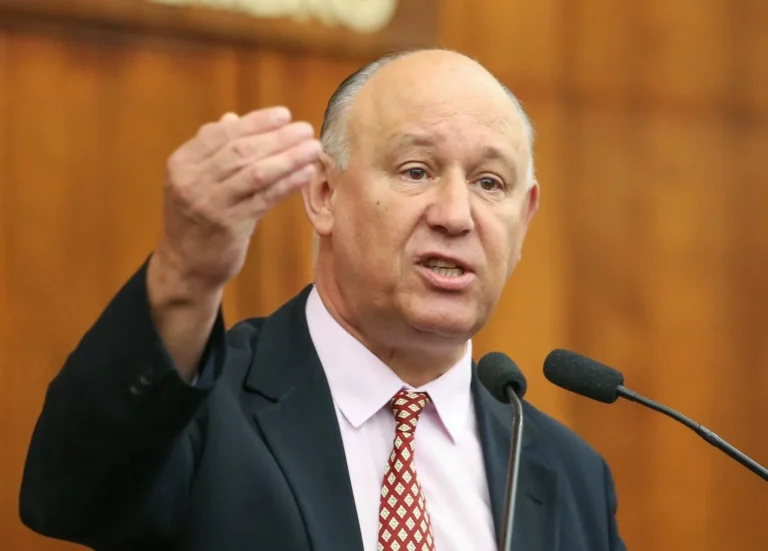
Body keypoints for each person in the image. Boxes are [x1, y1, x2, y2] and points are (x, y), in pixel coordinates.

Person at [19, 49, 625, 551]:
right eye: (416, 171)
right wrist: (183, 275)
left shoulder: (570, 475)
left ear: (525, 218)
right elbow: (71, 497)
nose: (455, 215)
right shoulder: (201, 410)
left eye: (489, 183)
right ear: (324, 194)